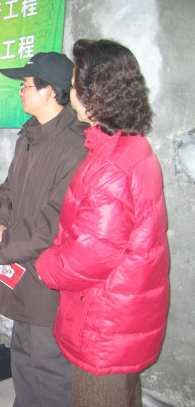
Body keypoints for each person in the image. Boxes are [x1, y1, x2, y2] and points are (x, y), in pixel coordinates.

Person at [35, 39, 170, 407]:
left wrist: (44, 265)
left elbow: (90, 256)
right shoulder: (130, 146)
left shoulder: (111, 165)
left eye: (75, 84)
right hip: (121, 312)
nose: (72, 94)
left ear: (98, 93)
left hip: (103, 321)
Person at [0, 52, 88, 407]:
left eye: (26, 85)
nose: (20, 91)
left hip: (48, 274)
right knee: (23, 355)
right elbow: (7, 190)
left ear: (51, 91)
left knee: (49, 366)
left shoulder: (77, 145)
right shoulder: (28, 136)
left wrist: (3, 248)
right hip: (20, 267)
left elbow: (56, 219)